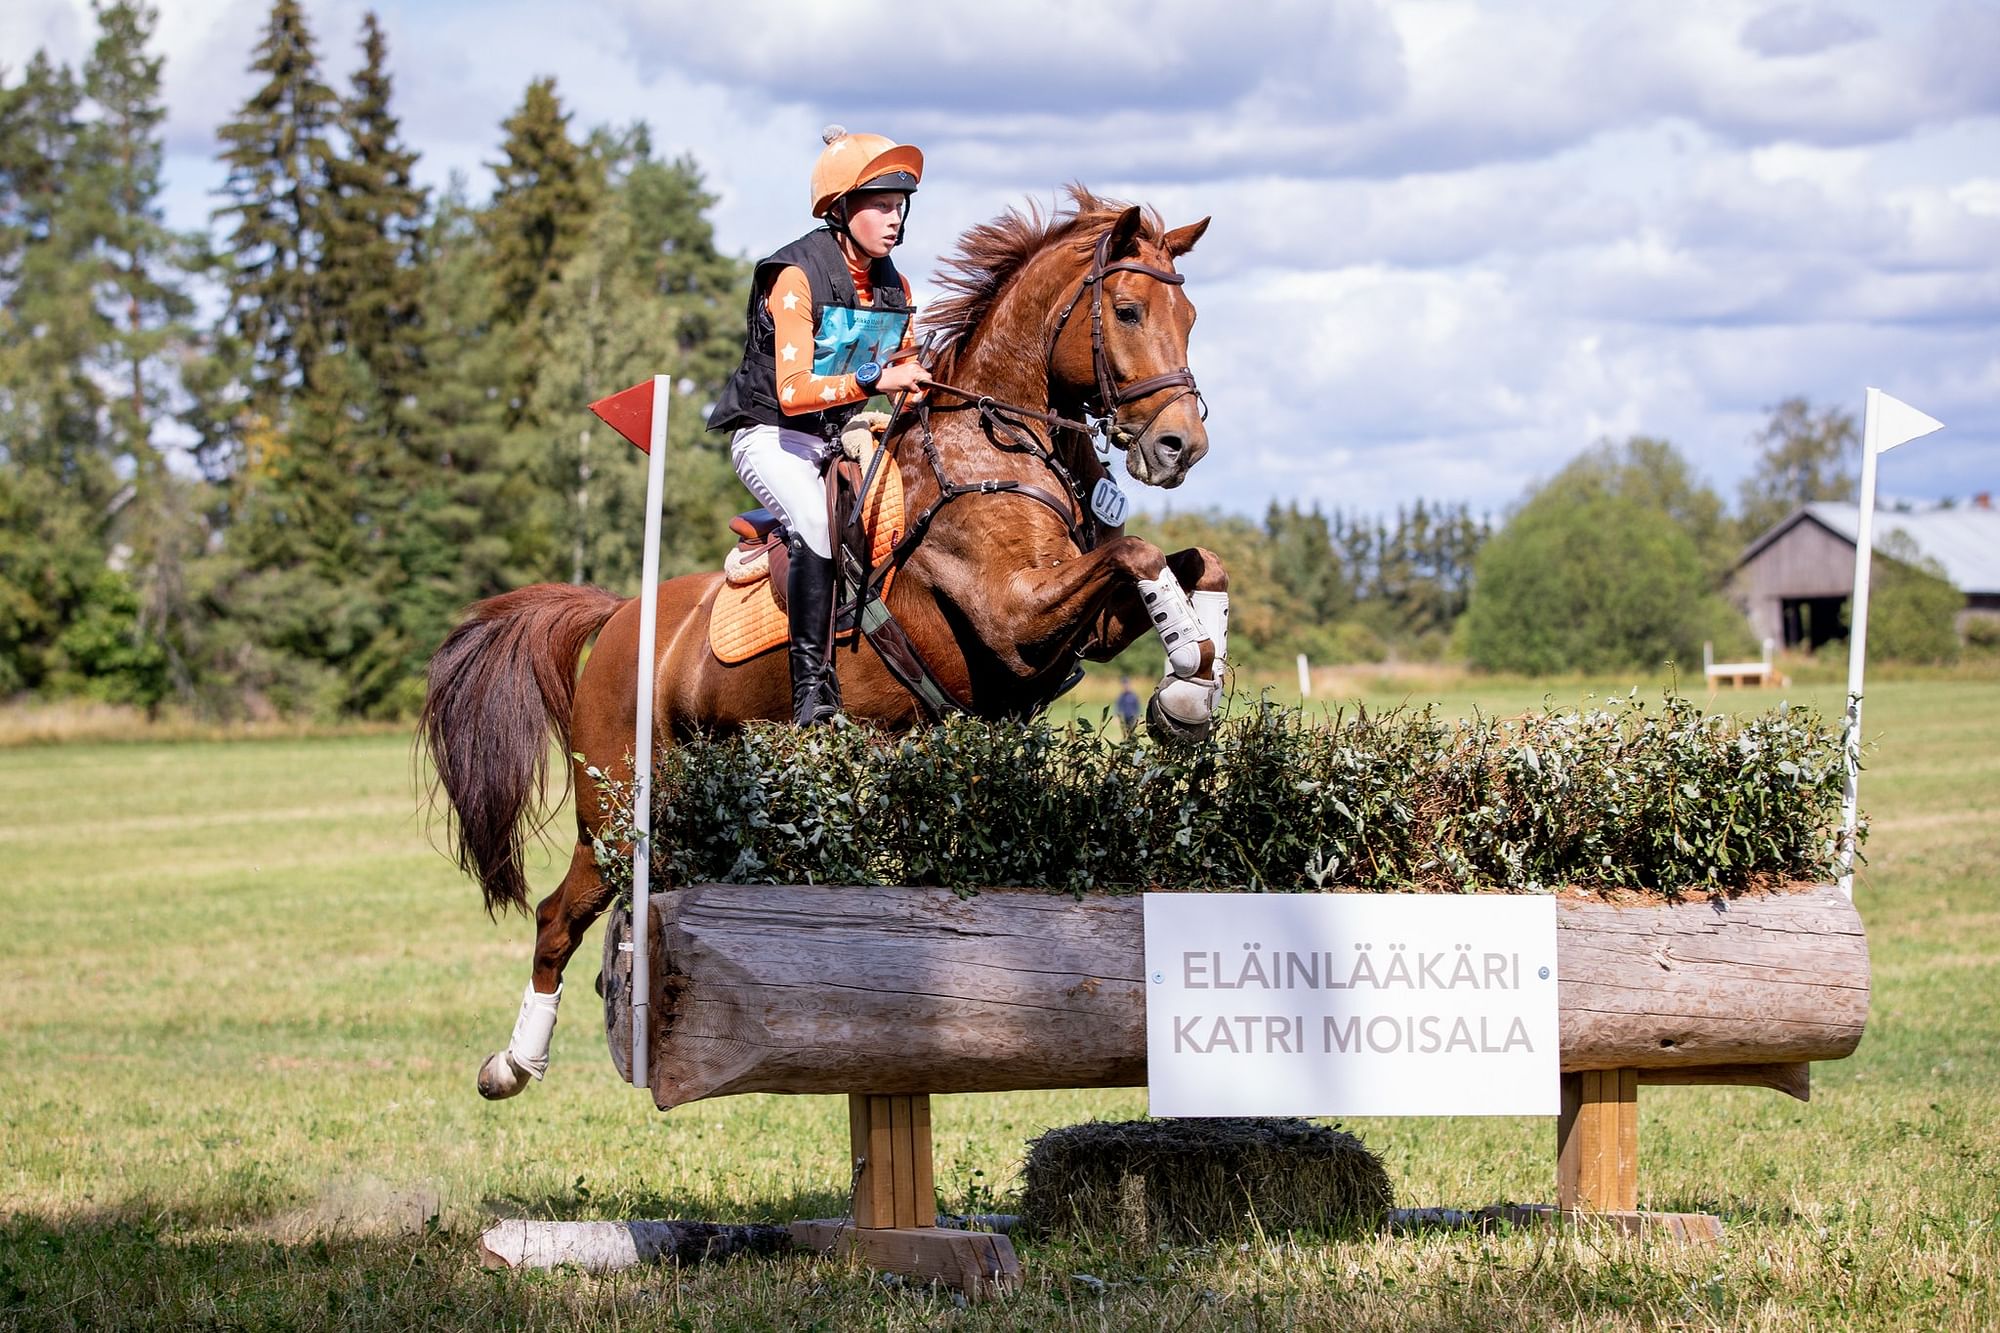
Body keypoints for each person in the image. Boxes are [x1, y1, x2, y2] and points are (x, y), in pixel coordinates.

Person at [708, 126, 932, 725]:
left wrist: (919, 389)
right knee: (810, 518)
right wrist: (872, 384)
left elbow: (906, 368)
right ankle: (813, 690)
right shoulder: (795, 276)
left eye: (900, 205)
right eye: (881, 204)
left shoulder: (896, 285)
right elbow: (792, 390)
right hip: (771, 436)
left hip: (839, 439)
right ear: (840, 209)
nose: (894, 218)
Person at [1115, 675, 1141, 739]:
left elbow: (1137, 706)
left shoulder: (1133, 696)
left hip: (1132, 717)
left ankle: (1131, 741)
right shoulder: (1121, 696)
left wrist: (1139, 716)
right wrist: (1116, 716)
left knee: (1131, 731)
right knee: (1124, 731)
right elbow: (1118, 706)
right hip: (1124, 717)